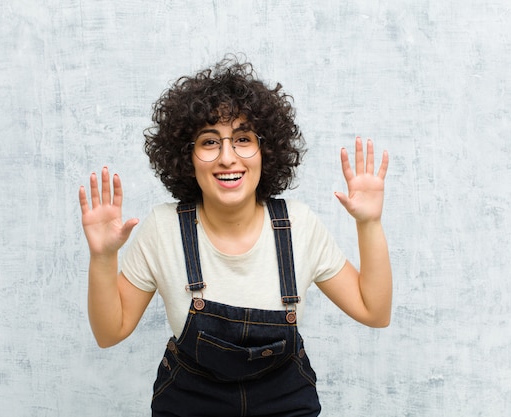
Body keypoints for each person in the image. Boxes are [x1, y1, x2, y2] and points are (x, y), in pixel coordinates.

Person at [78, 57, 392, 416]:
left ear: (266, 149)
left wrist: (369, 224)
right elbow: (109, 333)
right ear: (188, 156)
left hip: (285, 405)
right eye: (210, 142)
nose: (228, 157)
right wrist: (102, 257)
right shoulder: (162, 229)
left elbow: (375, 311)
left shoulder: (299, 225)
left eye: (243, 139)